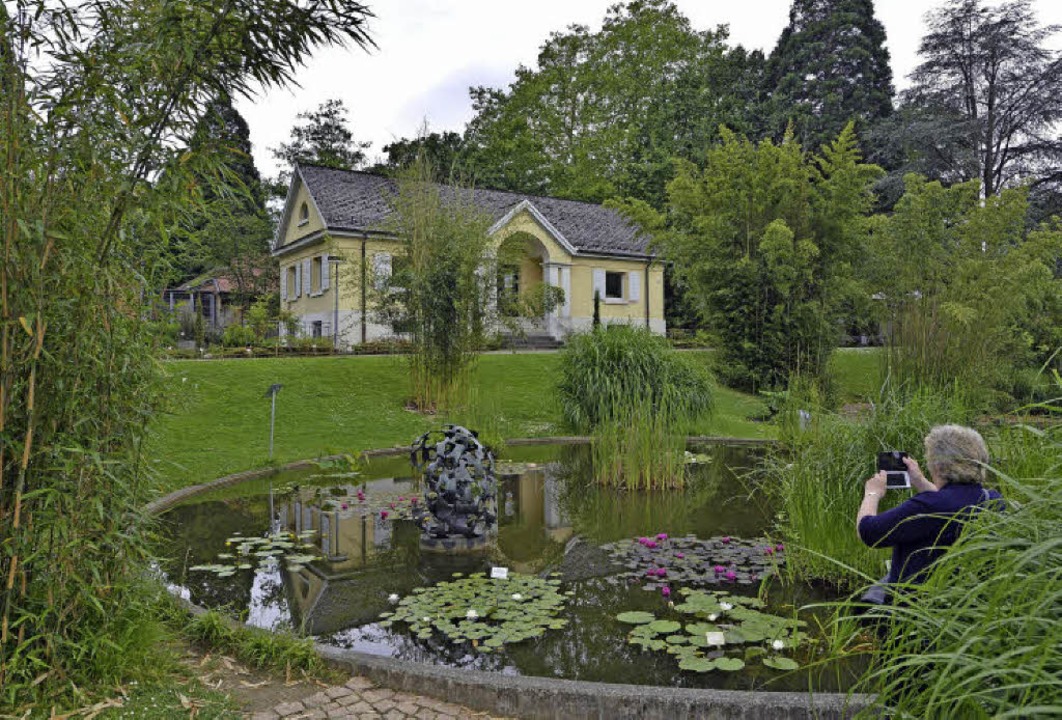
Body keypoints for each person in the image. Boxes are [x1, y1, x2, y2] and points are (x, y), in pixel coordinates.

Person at [856, 425, 1003, 597]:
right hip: (966, 601)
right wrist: (920, 481)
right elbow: (950, 502)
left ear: (939, 466)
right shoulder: (993, 500)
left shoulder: (926, 506)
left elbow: (868, 532)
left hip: (915, 609)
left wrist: (872, 493)